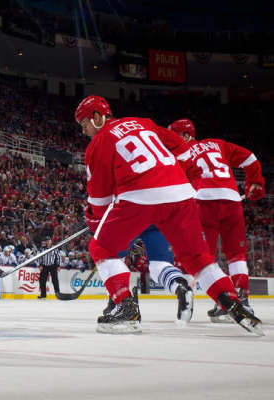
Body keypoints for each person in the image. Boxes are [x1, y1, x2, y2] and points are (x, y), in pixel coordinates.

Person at [75, 95, 262, 335]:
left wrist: (96, 221)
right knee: (198, 258)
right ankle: (233, 303)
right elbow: (182, 149)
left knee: (102, 248)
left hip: (140, 197)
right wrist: (184, 173)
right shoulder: (144, 122)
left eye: (85, 124)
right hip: (180, 194)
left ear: (97, 117)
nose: (84, 131)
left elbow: (99, 199)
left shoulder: (99, 142)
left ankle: (125, 307)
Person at [168, 118, 266, 322]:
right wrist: (255, 181)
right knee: (236, 255)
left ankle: (226, 301)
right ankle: (242, 300)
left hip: (204, 202)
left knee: (204, 257)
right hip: (231, 200)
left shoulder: (182, 154)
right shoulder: (218, 144)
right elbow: (250, 157)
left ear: (186, 136)